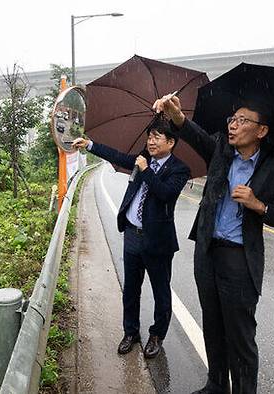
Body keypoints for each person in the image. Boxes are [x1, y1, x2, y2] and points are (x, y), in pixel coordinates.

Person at [153, 94, 274, 394]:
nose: (233, 126)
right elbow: (195, 135)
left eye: (243, 121)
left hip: (240, 259)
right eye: (232, 119)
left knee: (240, 336)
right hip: (207, 252)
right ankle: (216, 385)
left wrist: (258, 204)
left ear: (261, 131)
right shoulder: (221, 151)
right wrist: (177, 116)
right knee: (213, 325)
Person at [72, 116, 190, 359]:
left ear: (171, 142)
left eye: (156, 137)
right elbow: (119, 157)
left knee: (160, 291)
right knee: (131, 290)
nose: (151, 141)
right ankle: (131, 332)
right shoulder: (142, 159)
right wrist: (91, 145)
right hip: (132, 235)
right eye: (149, 137)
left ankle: (157, 335)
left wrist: (146, 171)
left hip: (157, 241)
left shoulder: (179, 169)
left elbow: (165, 194)